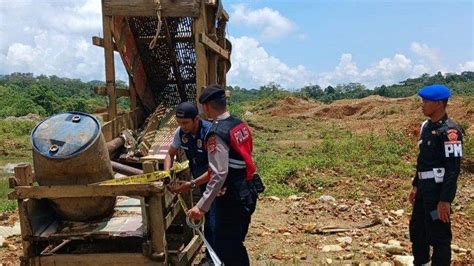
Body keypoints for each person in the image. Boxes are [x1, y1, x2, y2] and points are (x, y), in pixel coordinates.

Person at [187, 84, 258, 265]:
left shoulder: (216, 133)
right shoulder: (239, 124)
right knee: (234, 243)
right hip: (247, 191)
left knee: (228, 247)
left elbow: (218, 174)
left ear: (207, 107)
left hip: (231, 198)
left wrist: (201, 206)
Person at [408, 84, 463, 266]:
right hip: (424, 190)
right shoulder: (425, 127)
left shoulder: (450, 132)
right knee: (418, 231)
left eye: (426, 101)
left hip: (437, 193)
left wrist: (445, 200)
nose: (422, 105)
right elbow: (422, 160)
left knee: (438, 235)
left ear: (439, 103)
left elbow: (453, 169)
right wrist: (416, 185)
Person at [163, 101, 215, 261]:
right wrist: (167, 173)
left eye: (185, 122)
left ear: (196, 119)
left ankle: (214, 257)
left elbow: (216, 170)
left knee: (215, 219)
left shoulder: (210, 134)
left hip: (216, 182)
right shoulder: (181, 133)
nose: (182, 126)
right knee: (210, 217)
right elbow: (169, 154)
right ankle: (211, 256)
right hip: (200, 179)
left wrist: (191, 184)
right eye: (179, 123)